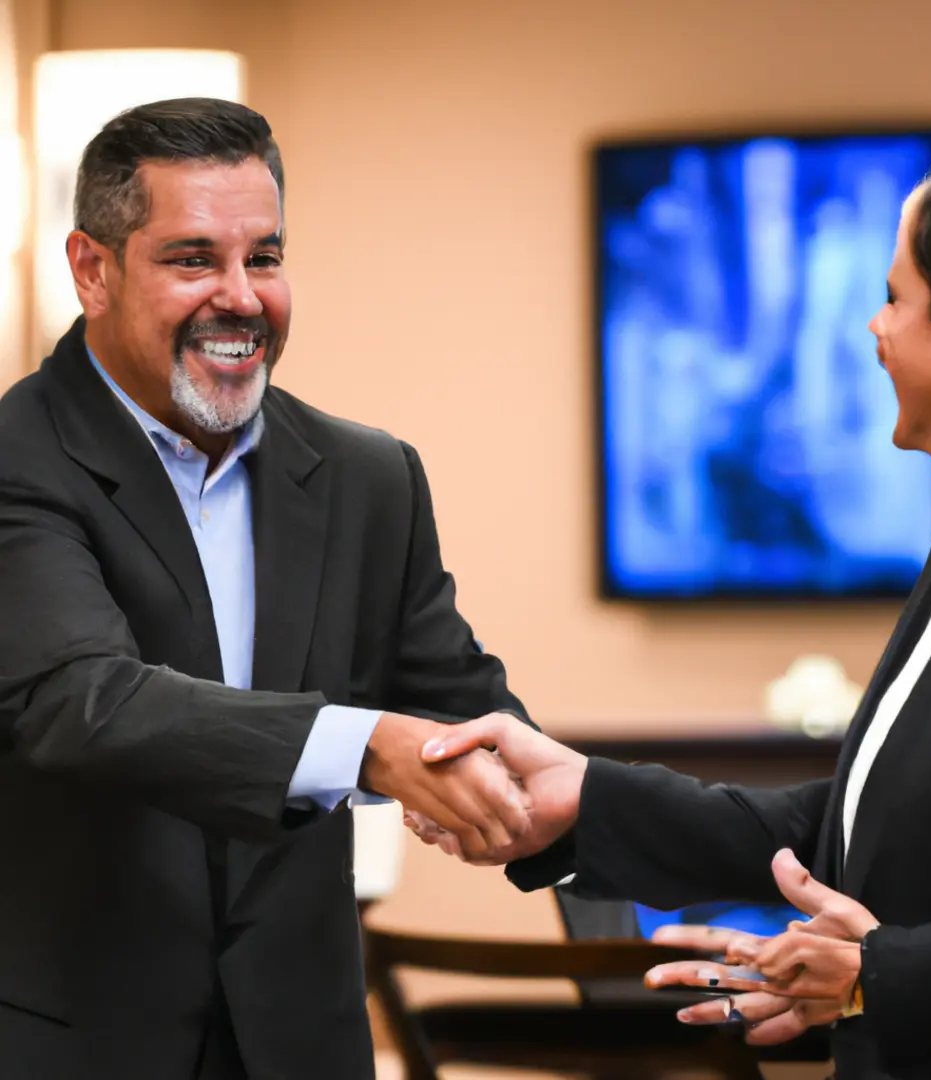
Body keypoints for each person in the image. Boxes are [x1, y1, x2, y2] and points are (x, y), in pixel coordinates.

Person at [411, 93, 931, 1079]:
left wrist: (875, 973)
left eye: (895, 298)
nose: (874, 328)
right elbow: (853, 824)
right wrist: (582, 796)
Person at [0, 98, 532, 1080]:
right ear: (92, 270)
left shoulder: (372, 475)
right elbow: (84, 704)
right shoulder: (17, 459)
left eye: (267, 257)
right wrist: (368, 747)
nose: (241, 297)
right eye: (193, 259)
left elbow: (458, 707)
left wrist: (586, 820)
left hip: (308, 1046)